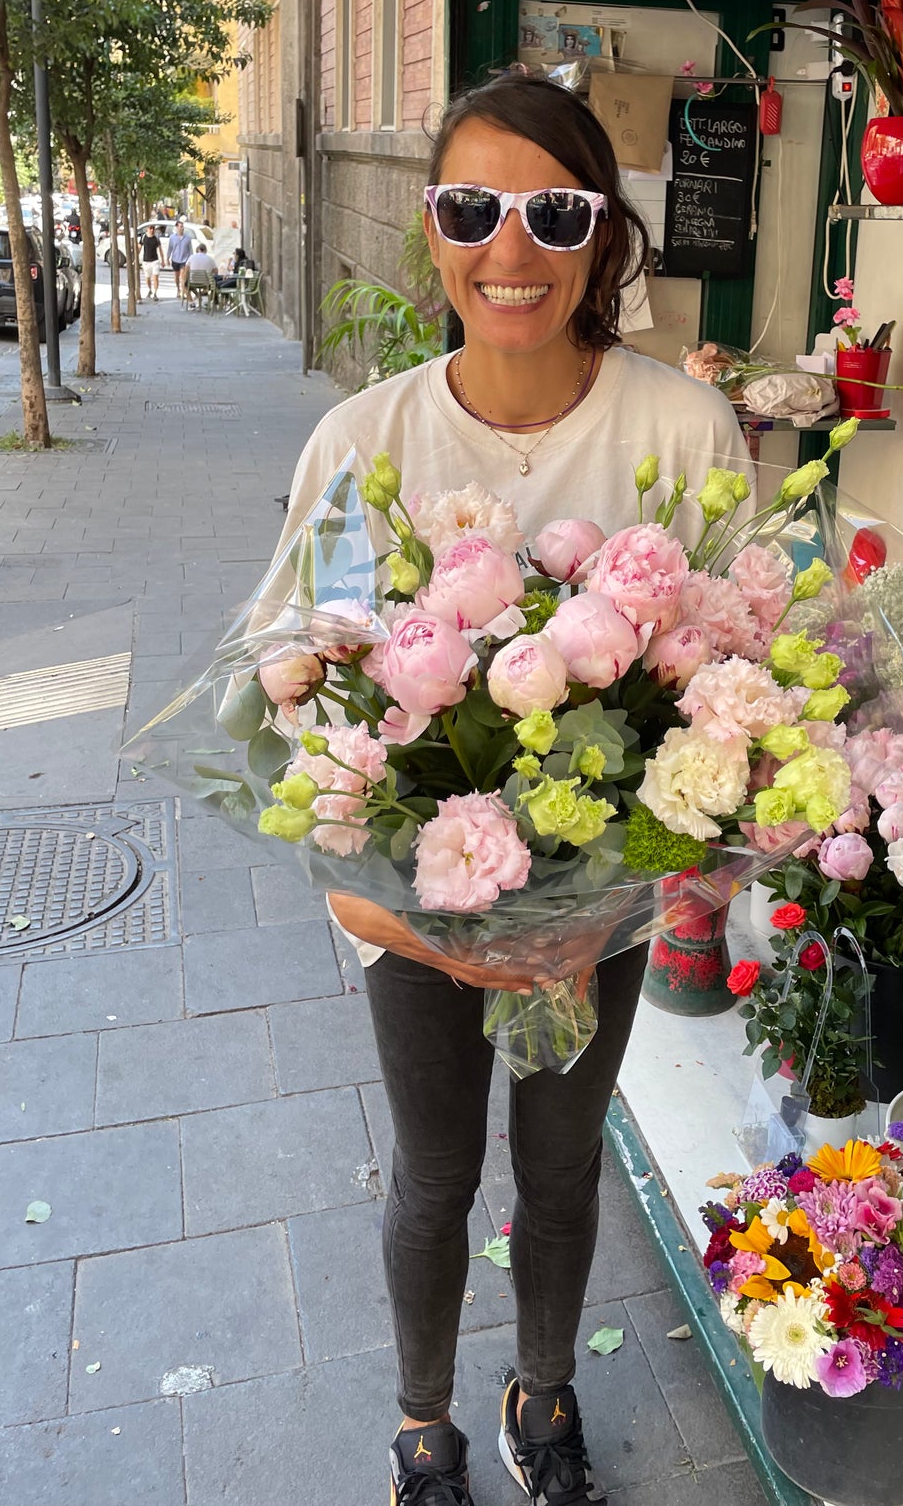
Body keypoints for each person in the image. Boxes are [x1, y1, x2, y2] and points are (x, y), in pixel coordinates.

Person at [276, 75, 752, 1506]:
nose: (511, 250)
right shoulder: (363, 446)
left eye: (554, 213)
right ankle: (420, 1421)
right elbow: (296, 700)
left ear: (601, 235)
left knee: (560, 1161)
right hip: (415, 906)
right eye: (474, 207)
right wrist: (386, 907)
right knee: (432, 1172)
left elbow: (736, 679)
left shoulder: (684, 433)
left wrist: (638, 886)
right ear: (432, 227)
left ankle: (544, 1391)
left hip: (593, 913)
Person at [184, 238, 217, 308]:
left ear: (197, 250)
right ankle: (202, 296)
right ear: (205, 250)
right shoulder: (210, 259)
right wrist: (210, 272)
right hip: (206, 282)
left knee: (185, 285)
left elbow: (186, 269)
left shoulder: (192, 257)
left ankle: (192, 302)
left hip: (193, 281)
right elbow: (216, 271)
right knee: (213, 285)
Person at [166, 219, 192, 298]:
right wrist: (167, 258)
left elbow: (190, 250)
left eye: (182, 226)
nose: (182, 228)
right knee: (176, 276)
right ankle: (178, 289)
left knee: (182, 277)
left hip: (184, 260)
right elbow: (170, 248)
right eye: (180, 226)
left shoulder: (187, 238)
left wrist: (191, 260)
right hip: (175, 259)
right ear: (177, 227)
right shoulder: (172, 237)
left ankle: (183, 291)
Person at [140, 224, 161, 300]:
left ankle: (155, 293)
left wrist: (163, 259)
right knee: (147, 277)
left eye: (153, 228)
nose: (152, 230)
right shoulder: (143, 237)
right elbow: (139, 247)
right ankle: (150, 290)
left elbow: (160, 249)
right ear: (147, 229)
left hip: (155, 260)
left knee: (155, 277)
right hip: (146, 261)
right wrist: (135, 257)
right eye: (150, 228)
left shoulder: (156, 238)